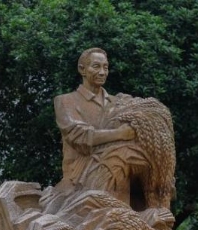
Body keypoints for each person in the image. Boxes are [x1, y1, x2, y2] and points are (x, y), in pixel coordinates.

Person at [53, 48, 137, 198]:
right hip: (79, 185)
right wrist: (120, 134)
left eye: (106, 67)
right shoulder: (65, 101)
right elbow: (80, 137)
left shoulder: (119, 103)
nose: (102, 72)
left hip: (120, 184)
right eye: (96, 66)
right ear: (82, 69)